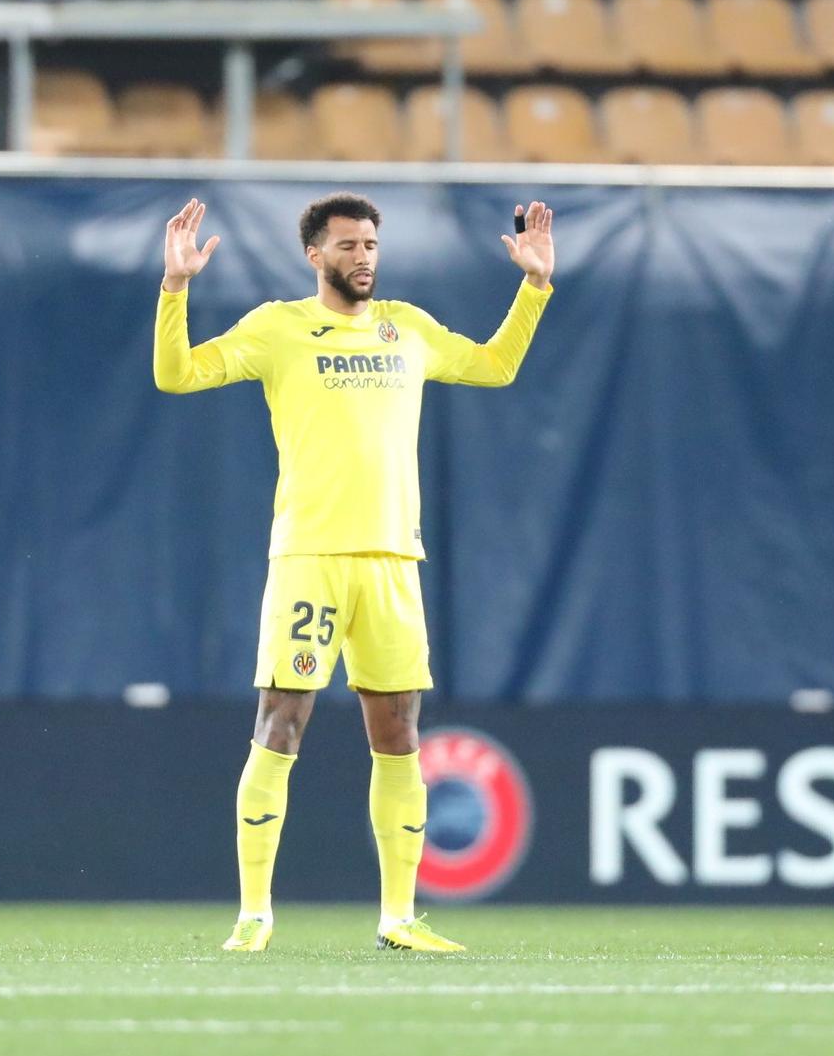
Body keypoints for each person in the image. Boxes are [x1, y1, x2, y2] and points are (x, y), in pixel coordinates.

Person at [153, 193, 556, 955]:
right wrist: (174, 291)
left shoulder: (410, 328)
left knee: (400, 732)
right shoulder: (278, 328)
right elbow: (177, 376)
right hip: (309, 554)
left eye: (371, 243)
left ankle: (398, 916)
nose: (363, 256)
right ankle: (254, 914)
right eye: (347, 245)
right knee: (281, 724)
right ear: (316, 254)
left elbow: (496, 366)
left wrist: (533, 287)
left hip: (393, 560)